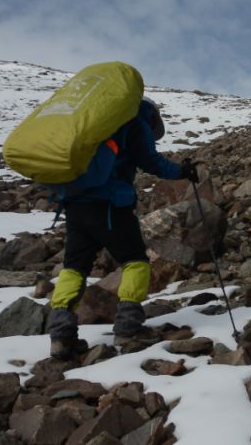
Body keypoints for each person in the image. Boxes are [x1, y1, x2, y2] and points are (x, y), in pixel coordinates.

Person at [46, 97, 199, 359]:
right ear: (152, 115)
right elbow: (152, 162)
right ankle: (128, 327)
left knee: (74, 268)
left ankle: (61, 335)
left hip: (74, 205)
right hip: (110, 205)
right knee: (135, 261)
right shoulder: (134, 122)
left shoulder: (96, 123)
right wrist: (182, 172)